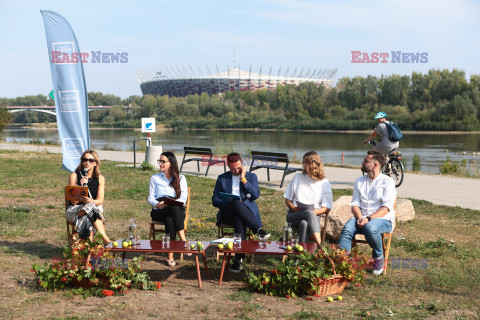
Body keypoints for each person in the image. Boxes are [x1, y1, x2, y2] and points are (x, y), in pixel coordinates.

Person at [338, 150, 396, 275]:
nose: (362, 162)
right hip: (362, 218)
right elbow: (355, 204)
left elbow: (386, 208)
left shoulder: (387, 182)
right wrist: (360, 217)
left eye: (366, 161)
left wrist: (368, 219)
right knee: (348, 228)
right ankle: (342, 263)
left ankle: (378, 256)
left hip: (383, 220)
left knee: (370, 227)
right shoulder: (359, 181)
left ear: (375, 165)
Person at [212, 152, 270, 273]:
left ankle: (239, 259)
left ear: (242, 165)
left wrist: (244, 180)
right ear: (228, 166)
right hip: (227, 213)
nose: (237, 170)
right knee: (236, 203)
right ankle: (258, 230)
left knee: (239, 218)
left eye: (239, 167)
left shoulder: (251, 177)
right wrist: (226, 201)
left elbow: (256, 195)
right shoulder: (222, 178)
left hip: (246, 214)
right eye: (233, 169)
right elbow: (214, 200)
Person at [284, 151, 332, 248]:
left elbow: (327, 207)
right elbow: (288, 200)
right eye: (303, 162)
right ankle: (320, 247)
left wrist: (313, 212)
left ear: (313, 165)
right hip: (294, 215)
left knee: (304, 223)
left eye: (306, 163)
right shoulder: (297, 177)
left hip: (314, 216)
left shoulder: (324, 183)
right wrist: (293, 208)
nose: (303, 165)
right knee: (308, 214)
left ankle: (302, 254)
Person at [148, 151, 188, 267]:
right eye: (159, 161)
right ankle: (184, 242)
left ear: (171, 163)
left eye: (163, 161)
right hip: (159, 210)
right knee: (172, 209)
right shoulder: (155, 178)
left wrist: (172, 203)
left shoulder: (181, 178)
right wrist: (157, 204)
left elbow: (183, 198)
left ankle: (170, 256)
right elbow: (150, 198)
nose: (160, 164)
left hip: (176, 210)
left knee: (171, 218)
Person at [66, 149, 111, 245]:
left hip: (90, 211)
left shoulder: (100, 178)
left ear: (95, 163)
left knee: (87, 216)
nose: (87, 162)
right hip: (74, 212)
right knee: (90, 208)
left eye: (91, 160)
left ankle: (88, 249)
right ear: (81, 161)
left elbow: (100, 200)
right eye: (84, 159)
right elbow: (73, 201)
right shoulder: (74, 176)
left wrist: (90, 201)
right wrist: (80, 185)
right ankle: (105, 239)